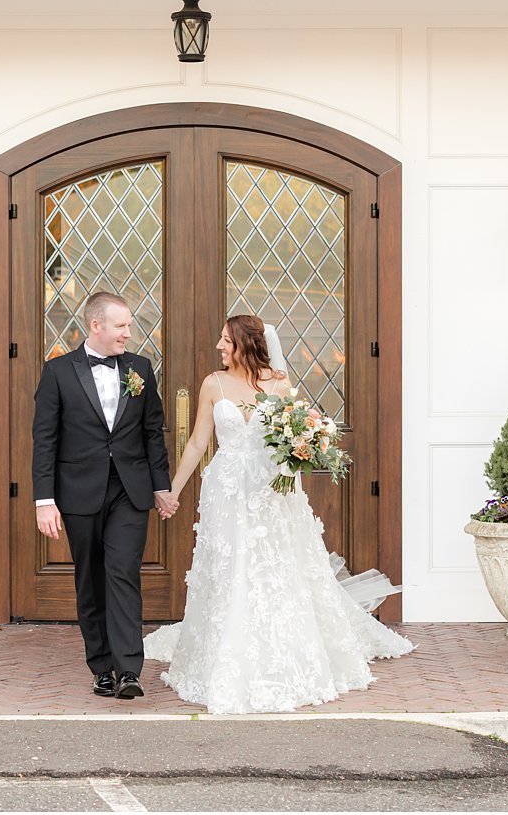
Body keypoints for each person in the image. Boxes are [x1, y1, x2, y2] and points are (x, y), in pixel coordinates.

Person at [143, 314, 413, 714]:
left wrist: (295, 458)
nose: (219, 347)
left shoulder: (280, 382)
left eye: (226, 341)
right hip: (229, 489)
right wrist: (173, 492)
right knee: (231, 568)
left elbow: (298, 436)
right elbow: (200, 441)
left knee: (273, 568)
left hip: (272, 490)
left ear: (246, 344)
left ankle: (279, 653)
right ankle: (224, 653)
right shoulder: (212, 384)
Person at [31, 291, 177, 700]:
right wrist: (45, 500)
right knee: (90, 579)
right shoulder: (58, 372)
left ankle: (130, 669)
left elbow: (152, 434)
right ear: (96, 325)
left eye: (128, 326)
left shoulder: (141, 369)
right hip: (78, 492)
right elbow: (45, 440)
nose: (128, 334)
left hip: (129, 491)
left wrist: (161, 487)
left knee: (123, 573)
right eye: (121, 326)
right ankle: (102, 668)